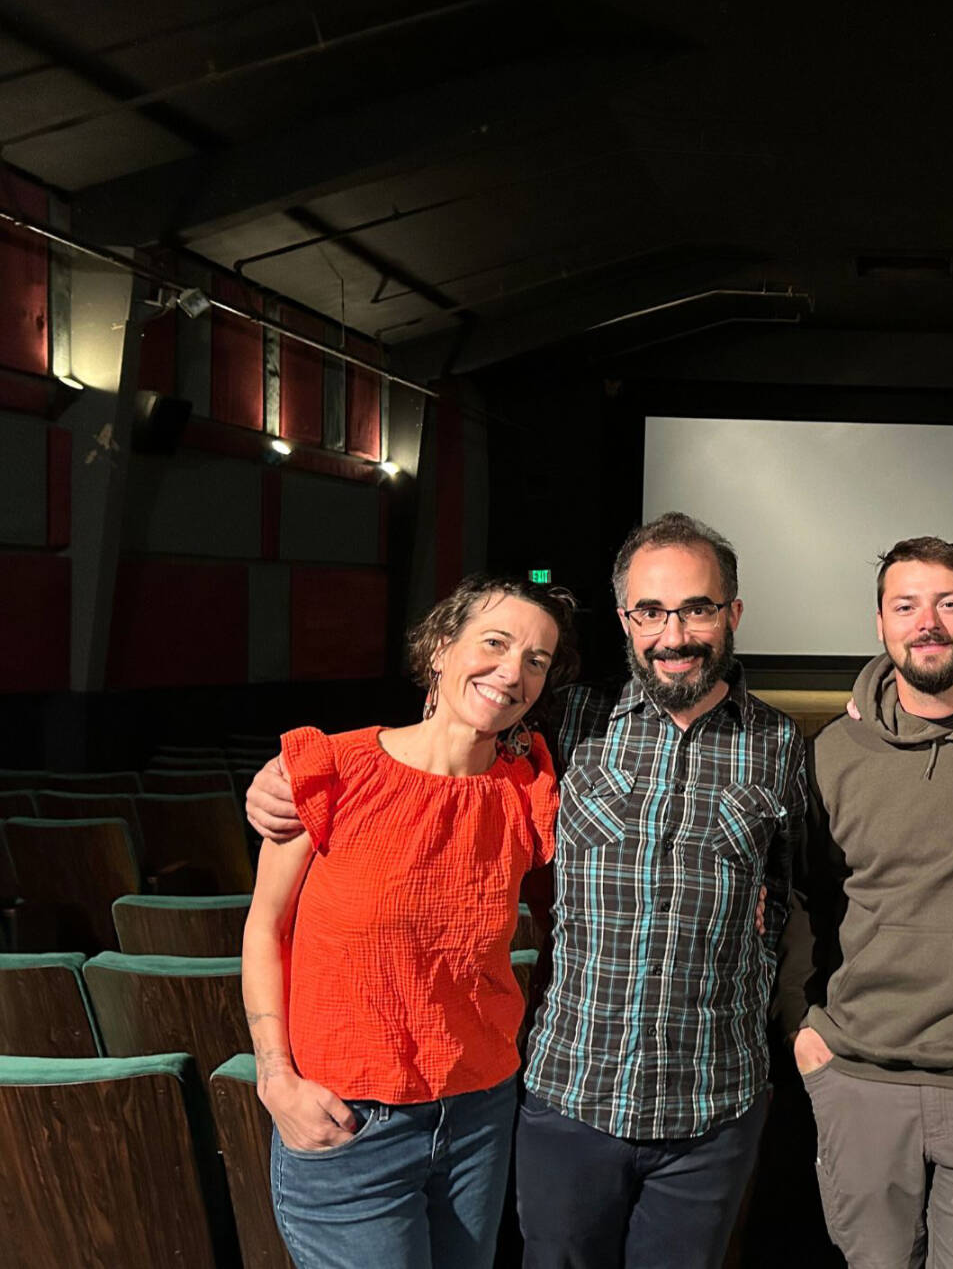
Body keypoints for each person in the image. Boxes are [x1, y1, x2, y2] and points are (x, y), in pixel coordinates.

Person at [248, 513, 805, 1269]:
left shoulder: (774, 749)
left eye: (698, 608)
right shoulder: (572, 727)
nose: (674, 633)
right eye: (651, 611)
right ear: (626, 621)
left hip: (669, 1103)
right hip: (539, 1101)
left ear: (731, 614)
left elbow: (790, 896)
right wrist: (275, 1076)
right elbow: (272, 921)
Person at [241, 574, 578, 1269]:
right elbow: (266, 928)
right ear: (439, 648)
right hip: (349, 1124)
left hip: (478, 1117)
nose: (512, 671)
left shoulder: (527, 790)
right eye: (495, 642)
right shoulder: (331, 770)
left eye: (536, 661)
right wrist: (275, 1077)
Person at [779, 536, 953, 1268]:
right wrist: (801, 1028)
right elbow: (801, 897)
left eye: (948, 603)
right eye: (906, 606)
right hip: (861, 1075)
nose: (927, 622)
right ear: (880, 623)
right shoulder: (833, 751)